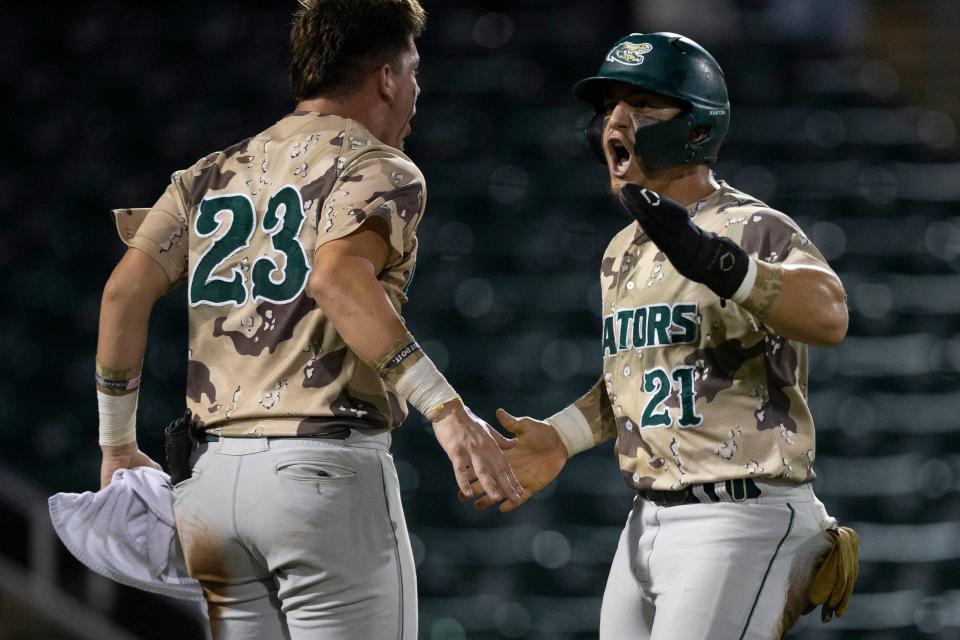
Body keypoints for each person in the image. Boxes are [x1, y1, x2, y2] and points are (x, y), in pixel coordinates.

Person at [94, 1, 522, 637]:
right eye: (412, 69)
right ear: (384, 77)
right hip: (319, 474)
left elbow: (123, 295)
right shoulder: (378, 165)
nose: (415, 88)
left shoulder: (206, 174)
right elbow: (336, 278)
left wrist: (117, 445)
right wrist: (446, 410)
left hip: (209, 485)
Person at [464, 32, 859, 639]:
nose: (616, 121)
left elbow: (830, 313)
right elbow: (639, 377)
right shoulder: (620, 251)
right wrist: (564, 437)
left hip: (738, 513)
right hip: (646, 518)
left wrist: (721, 262)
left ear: (697, 128)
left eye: (642, 105)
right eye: (610, 107)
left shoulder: (749, 225)